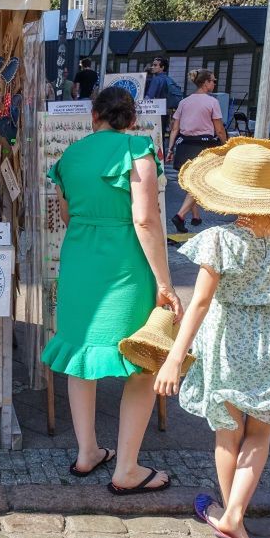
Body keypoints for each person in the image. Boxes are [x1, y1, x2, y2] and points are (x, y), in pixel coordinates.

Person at [154, 137, 270, 538]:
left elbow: (201, 302)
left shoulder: (220, 239)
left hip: (227, 340)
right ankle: (233, 516)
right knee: (259, 435)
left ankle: (233, 516)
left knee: (227, 435)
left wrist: (176, 354)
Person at [42, 87, 183, 493]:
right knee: (141, 359)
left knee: (78, 354)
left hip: (80, 261)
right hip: (124, 265)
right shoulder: (138, 149)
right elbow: (146, 219)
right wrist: (164, 282)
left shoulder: (69, 156)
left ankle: (87, 452)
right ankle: (126, 469)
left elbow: (67, 214)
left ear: (94, 117)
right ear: (132, 120)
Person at [166, 69, 228, 232]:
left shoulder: (184, 102)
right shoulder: (212, 102)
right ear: (206, 82)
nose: (214, 83)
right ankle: (180, 215)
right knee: (200, 183)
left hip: (184, 145)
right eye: (213, 81)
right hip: (202, 146)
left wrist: (170, 149)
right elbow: (219, 129)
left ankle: (196, 217)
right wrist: (226, 145)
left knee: (190, 182)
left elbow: (174, 129)